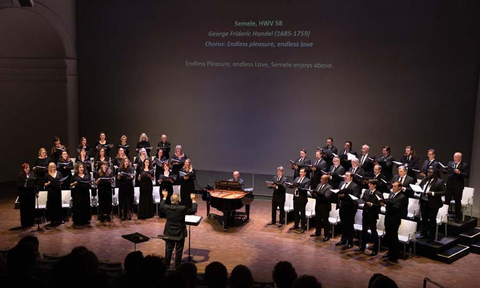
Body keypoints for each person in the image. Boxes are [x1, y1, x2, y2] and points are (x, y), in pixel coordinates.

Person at [160, 191, 197, 268]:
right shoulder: (182, 208)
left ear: (171, 200)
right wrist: (193, 200)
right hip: (180, 232)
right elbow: (193, 210)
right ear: (179, 200)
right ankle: (177, 266)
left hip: (169, 231)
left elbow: (161, 205)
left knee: (168, 248)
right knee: (179, 249)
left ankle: (167, 265)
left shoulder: (166, 207)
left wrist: (164, 196)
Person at [381, 181, 408, 263]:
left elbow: (396, 208)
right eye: (393, 186)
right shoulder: (391, 194)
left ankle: (395, 255)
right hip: (388, 217)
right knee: (388, 236)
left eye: (395, 186)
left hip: (395, 219)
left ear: (400, 187)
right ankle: (389, 252)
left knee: (393, 237)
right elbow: (390, 203)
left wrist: (385, 204)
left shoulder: (402, 197)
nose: (393, 188)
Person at [419, 168, 446, 242]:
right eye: (428, 172)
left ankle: (431, 237)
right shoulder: (425, 179)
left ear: (434, 174)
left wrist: (433, 193)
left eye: (430, 172)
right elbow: (420, 186)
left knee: (432, 221)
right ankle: (424, 234)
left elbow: (444, 192)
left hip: (433, 204)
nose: (428, 174)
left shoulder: (440, 182)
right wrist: (418, 190)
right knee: (424, 219)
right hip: (424, 202)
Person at [356, 179, 383, 256]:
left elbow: (380, 205)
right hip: (365, 214)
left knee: (374, 232)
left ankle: (375, 249)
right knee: (364, 231)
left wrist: (372, 204)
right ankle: (362, 246)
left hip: (372, 215)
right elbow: (363, 199)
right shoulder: (366, 191)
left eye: (371, 184)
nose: (369, 185)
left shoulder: (378, 194)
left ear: (375, 185)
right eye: (369, 184)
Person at [335, 172, 360, 248]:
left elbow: (355, 198)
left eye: (347, 176)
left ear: (351, 177)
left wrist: (344, 196)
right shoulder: (342, 183)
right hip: (342, 207)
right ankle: (343, 240)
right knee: (343, 224)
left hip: (350, 209)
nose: (345, 177)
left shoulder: (355, 186)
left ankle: (350, 242)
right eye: (345, 175)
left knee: (349, 225)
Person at [443, 152, 470, 222]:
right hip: (449, 185)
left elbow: (466, 175)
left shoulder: (464, 165)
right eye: (454, 157)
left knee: (457, 202)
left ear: (460, 158)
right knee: (447, 201)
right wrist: (444, 170)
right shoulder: (450, 163)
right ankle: (445, 215)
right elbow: (448, 172)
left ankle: (458, 217)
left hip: (458, 186)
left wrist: (459, 173)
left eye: (456, 157)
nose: (454, 158)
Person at [310, 175, 332, 241]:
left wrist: (317, 195)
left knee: (325, 221)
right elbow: (315, 194)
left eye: (322, 179)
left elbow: (326, 197)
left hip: (325, 207)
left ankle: (327, 235)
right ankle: (318, 232)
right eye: (321, 179)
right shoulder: (319, 185)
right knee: (317, 220)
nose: (321, 180)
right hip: (318, 205)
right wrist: (313, 193)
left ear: (326, 180)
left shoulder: (329, 187)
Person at [288, 168, 310, 233]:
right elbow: (293, 184)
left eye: (302, 172)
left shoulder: (307, 180)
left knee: (302, 214)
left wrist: (298, 186)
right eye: (300, 172)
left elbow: (305, 188)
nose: (300, 173)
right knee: (296, 212)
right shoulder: (297, 178)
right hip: (296, 198)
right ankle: (296, 225)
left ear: (305, 173)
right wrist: (290, 186)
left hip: (302, 199)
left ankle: (303, 227)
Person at [16, 163, 36, 227]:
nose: (27, 169)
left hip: (31, 194)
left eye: (28, 168)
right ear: (23, 169)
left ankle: (31, 222)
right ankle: (25, 223)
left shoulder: (32, 174)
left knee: (31, 208)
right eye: (26, 168)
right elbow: (18, 184)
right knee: (24, 209)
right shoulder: (20, 175)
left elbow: (35, 183)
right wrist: (24, 184)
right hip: (24, 194)